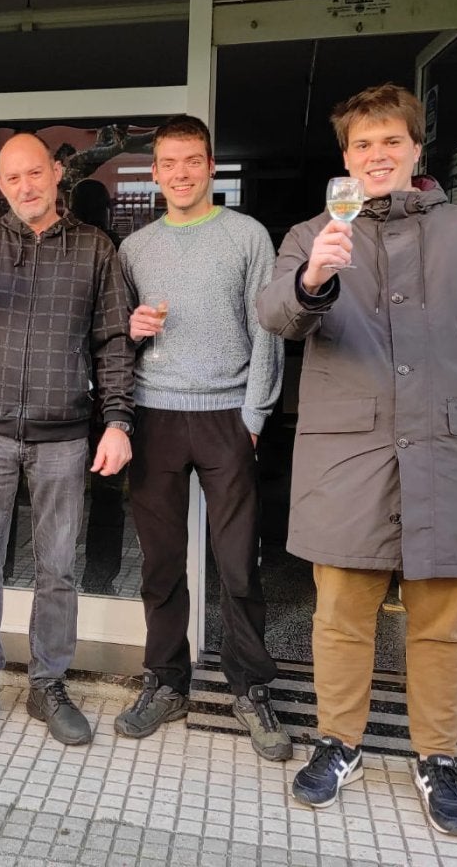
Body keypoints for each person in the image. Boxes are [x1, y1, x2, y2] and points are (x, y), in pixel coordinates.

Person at [257, 84, 457, 836]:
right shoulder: (315, 233)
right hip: (348, 456)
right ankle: (338, 741)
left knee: (443, 622)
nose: (376, 155)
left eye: (390, 140)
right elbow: (276, 315)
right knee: (341, 617)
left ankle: (438, 755)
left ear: (418, 148)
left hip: (452, 453)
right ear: (345, 158)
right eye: (361, 144)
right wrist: (313, 276)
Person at [0, 132, 134, 747]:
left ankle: (48, 684)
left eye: (35, 173)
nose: (25, 186)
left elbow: (114, 343)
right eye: (13, 178)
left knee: (57, 569)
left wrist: (119, 421)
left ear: (56, 173)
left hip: (63, 435)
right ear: (1, 187)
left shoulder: (96, 249)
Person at [116, 114, 291, 761]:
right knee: (160, 562)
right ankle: (166, 681)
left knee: (239, 559)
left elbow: (268, 328)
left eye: (193, 160)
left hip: (227, 415)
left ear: (209, 166)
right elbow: (114, 338)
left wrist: (254, 415)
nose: (182, 172)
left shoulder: (246, 236)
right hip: (154, 414)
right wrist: (132, 329)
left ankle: (250, 688)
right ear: (155, 172)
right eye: (170, 162)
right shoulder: (135, 249)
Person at [68, 176, 127, 596]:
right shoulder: (116, 249)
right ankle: (100, 576)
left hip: (72, 390)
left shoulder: (76, 248)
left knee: (64, 493)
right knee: (107, 490)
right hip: (106, 390)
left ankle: (68, 574)